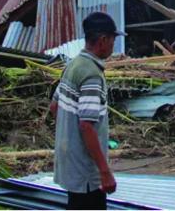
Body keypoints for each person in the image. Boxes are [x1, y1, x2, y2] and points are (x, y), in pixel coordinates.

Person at [50, 12, 122, 210]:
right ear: (103, 40)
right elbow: (86, 126)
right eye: (113, 40)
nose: (113, 45)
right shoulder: (91, 75)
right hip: (87, 172)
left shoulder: (73, 65)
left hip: (71, 162)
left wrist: (68, 138)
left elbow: (54, 106)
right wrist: (104, 172)